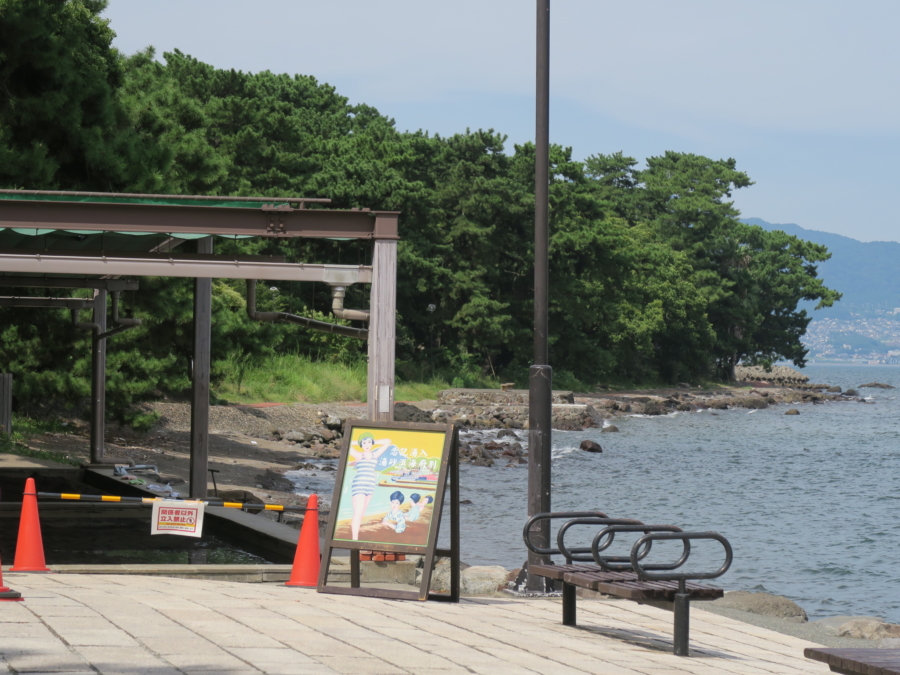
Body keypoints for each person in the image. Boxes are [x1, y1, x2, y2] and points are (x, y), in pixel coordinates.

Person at [348, 432, 391, 540]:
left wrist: (373, 441)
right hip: (359, 485)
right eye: (364, 443)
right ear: (361, 444)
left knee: (362, 512)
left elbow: (388, 442)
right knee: (358, 512)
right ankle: (354, 539)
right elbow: (347, 444)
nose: (367, 445)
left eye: (368, 442)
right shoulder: (359, 455)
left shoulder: (374, 455)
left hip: (370, 486)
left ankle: (356, 536)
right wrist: (358, 442)